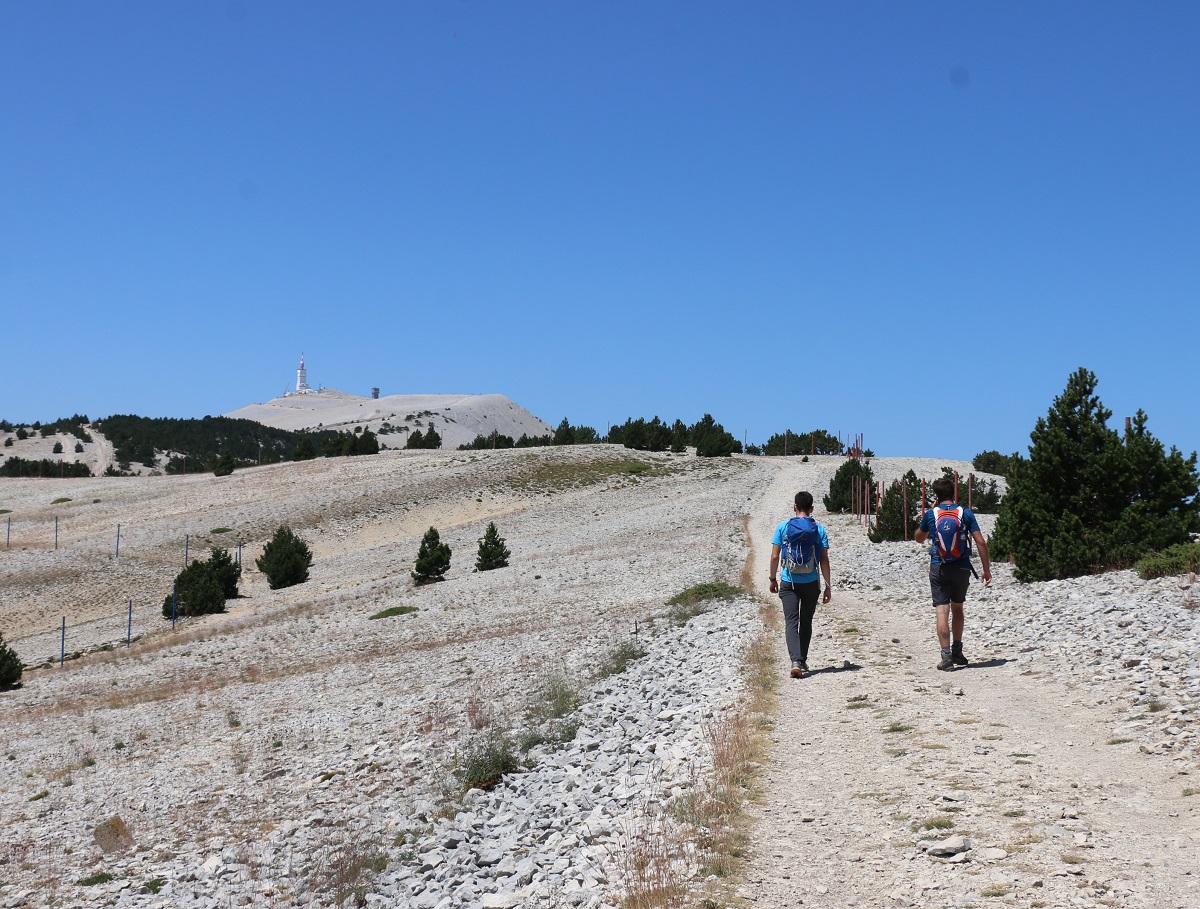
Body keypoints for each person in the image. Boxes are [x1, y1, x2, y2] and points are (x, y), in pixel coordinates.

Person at [914, 476, 992, 671]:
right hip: (962, 566)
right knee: (958, 608)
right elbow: (981, 542)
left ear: (937, 495)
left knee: (942, 610)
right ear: (954, 493)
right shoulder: (965, 513)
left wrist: (929, 513)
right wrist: (986, 569)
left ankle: (946, 656)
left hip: (938, 565)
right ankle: (957, 650)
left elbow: (919, 539)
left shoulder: (932, 515)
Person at [769, 491, 832, 679]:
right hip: (811, 582)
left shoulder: (783, 527)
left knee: (791, 622)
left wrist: (772, 579)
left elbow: (774, 556)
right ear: (812, 509)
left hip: (789, 581)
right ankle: (802, 660)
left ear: (794, 507)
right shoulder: (819, 530)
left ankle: (795, 661)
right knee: (806, 622)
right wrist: (828, 586)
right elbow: (824, 559)